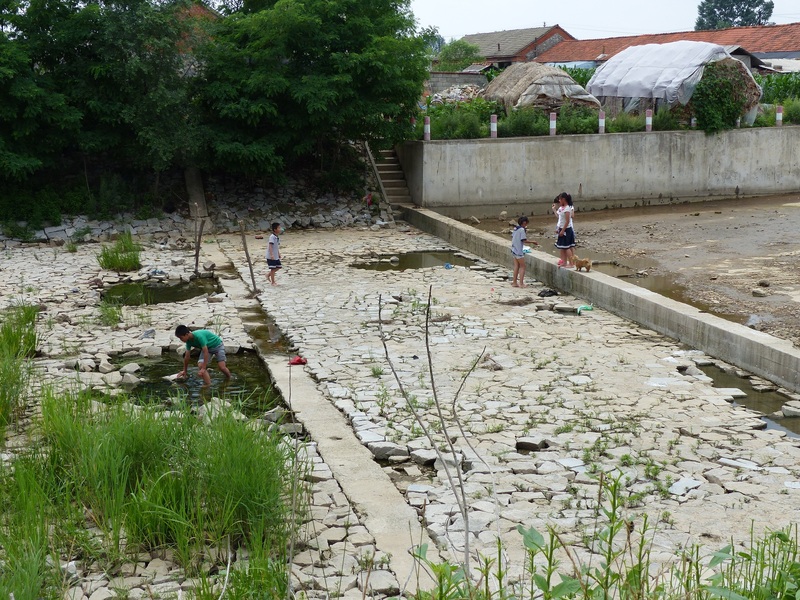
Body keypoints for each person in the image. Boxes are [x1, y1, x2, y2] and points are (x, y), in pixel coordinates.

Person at [554, 192, 576, 268]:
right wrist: (558, 229)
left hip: (566, 229)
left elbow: (567, 221)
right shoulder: (561, 208)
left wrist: (563, 230)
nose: (559, 201)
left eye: (560, 199)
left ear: (563, 199)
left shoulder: (567, 208)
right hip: (562, 228)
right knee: (562, 247)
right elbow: (561, 220)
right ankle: (564, 262)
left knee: (567, 247)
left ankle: (571, 263)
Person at [511, 216, 529, 287]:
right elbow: (524, 240)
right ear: (524, 223)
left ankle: (514, 282)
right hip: (518, 251)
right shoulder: (522, 230)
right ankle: (521, 283)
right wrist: (533, 242)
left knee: (516, 266)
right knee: (523, 266)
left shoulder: (515, 228)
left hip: (514, 249)